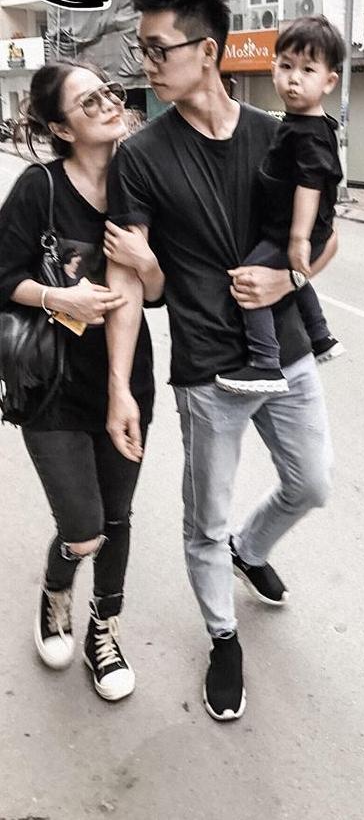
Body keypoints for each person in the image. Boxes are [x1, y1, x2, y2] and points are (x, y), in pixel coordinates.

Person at [105, 0, 336, 722]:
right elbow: (131, 280)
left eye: (158, 48)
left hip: (285, 350)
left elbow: (327, 237)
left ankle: (253, 549)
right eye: (141, 48)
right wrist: (119, 384)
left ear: (207, 51)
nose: (146, 62)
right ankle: (223, 638)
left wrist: (287, 277)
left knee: (312, 484)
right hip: (206, 368)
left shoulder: (281, 133)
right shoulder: (140, 156)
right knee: (205, 519)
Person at [0, 61, 163, 702]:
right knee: (83, 526)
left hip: (126, 382)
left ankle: (104, 630)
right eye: (88, 101)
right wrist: (57, 297)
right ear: (62, 129)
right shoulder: (38, 188)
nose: (107, 104)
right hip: (52, 387)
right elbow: (2, 276)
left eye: (108, 92)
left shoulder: (140, 179)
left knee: (117, 517)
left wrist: (148, 264)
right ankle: (56, 588)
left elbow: (158, 292)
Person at [215, 15, 345, 396]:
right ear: (272, 68)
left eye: (307, 70)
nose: (293, 79)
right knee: (294, 277)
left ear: (329, 82)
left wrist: (298, 239)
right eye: (286, 66)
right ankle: (320, 336)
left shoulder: (310, 134)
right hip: (289, 230)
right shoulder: (300, 123)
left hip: (292, 233)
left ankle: (266, 363)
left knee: (248, 278)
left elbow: (310, 185)